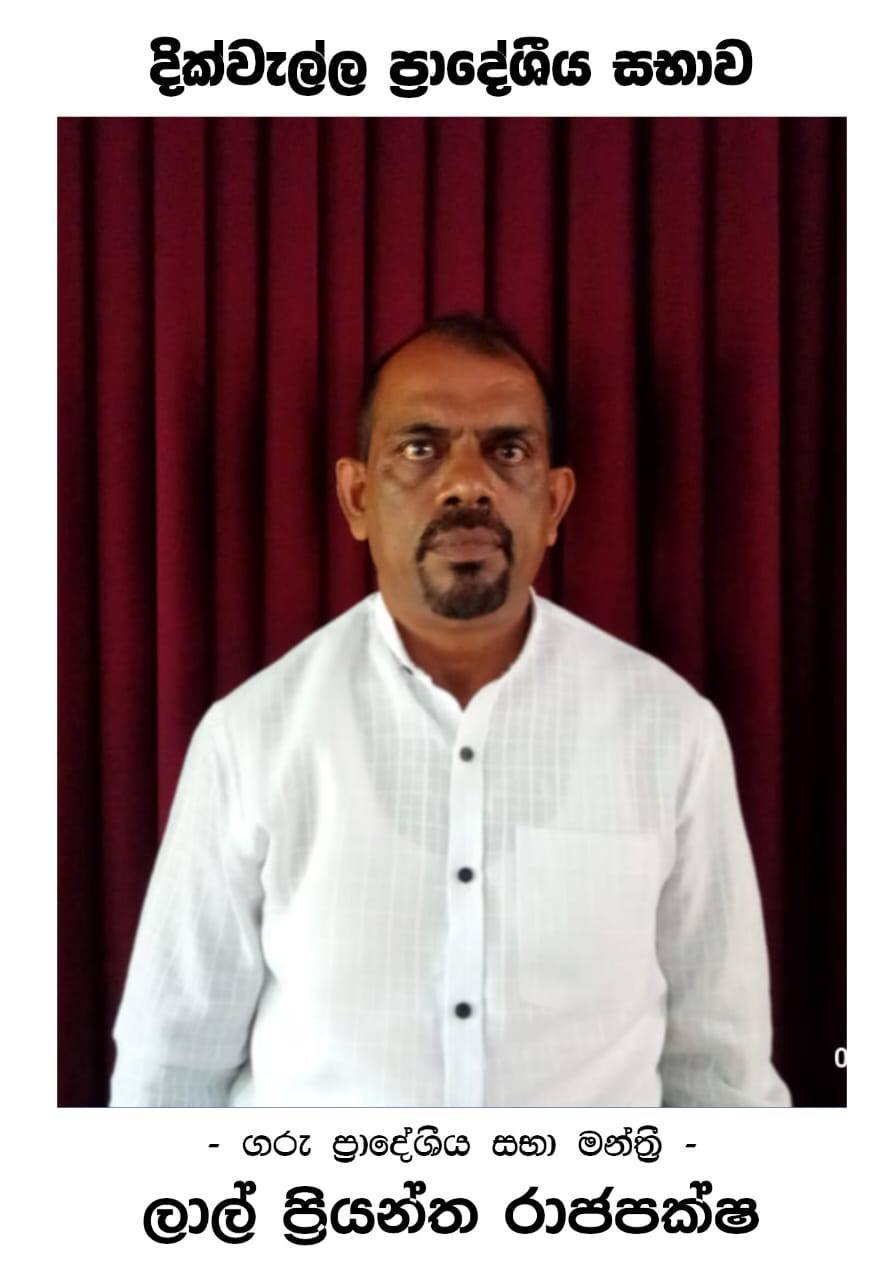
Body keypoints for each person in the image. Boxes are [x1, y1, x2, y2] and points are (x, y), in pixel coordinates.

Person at [110, 313, 790, 1107]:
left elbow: (721, 1073)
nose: (468, 484)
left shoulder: (670, 731)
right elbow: (170, 1071)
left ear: (555, 503)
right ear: (357, 497)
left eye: (509, 451)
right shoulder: (251, 737)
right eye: (419, 449)